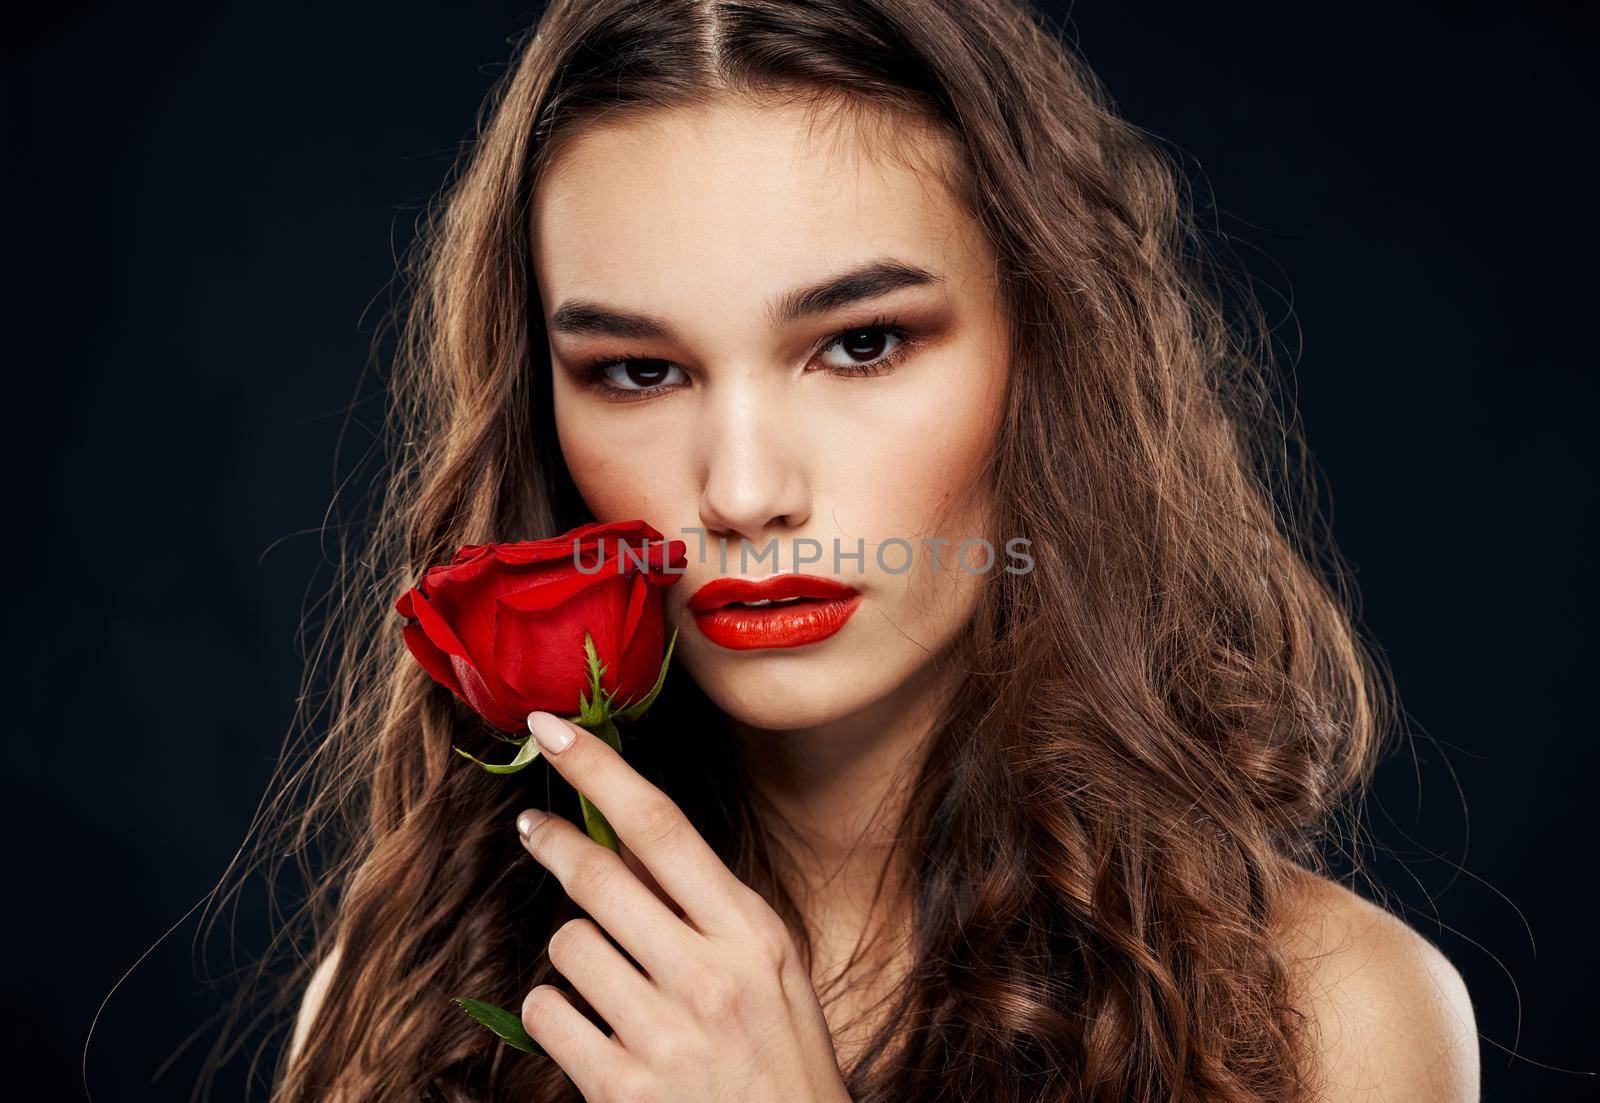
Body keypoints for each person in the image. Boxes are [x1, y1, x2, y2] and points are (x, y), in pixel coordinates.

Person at [256, 1, 1479, 1099]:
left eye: (861, 344)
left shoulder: (1327, 1021)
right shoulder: (401, 1021)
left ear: (1047, 352)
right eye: (637, 370)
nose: (742, 490)